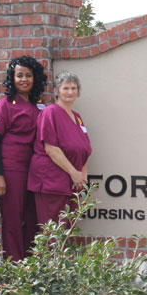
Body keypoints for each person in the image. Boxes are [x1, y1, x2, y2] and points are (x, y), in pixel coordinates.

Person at [0, 56, 47, 261]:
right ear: (12, 78)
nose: (24, 79)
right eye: (19, 75)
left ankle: (30, 266)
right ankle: (13, 267)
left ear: (35, 78)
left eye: (28, 75)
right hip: (12, 170)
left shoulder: (39, 105)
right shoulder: (5, 104)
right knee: (13, 220)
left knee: (33, 220)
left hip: (35, 171)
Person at [28, 71, 92, 228]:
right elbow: (51, 148)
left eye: (74, 88)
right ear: (56, 91)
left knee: (66, 232)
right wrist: (73, 173)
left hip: (74, 183)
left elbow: (84, 149)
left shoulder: (77, 116)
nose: (70, 92)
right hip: (53, 182)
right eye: (65, 88)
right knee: (53, 232)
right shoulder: (50, 113)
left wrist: (83, 176)